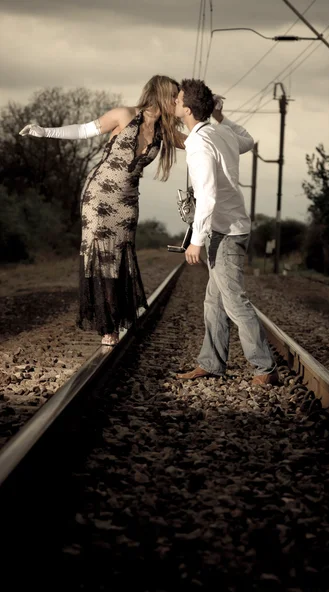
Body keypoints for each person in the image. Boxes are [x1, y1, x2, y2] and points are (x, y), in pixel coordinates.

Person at [19, 75, 185, 346]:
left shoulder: (165, 131)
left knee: (119, 256)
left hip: (128, 201)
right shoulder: (124, 114)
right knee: (100, 257)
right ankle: (108, 327)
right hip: (99, 195)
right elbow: (84, 130)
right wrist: (43, 131)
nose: (178, 102)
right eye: (175, 97)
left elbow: (201, 142)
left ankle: (115, 319)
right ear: (162, 95)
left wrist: (213, 115)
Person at [174, 78, 278, 386]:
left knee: (234, 301)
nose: (174, 104)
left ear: (188, 109)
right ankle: (212, 363)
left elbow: (207, 195)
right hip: (232, 228)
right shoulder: (220, 132)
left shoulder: (199, 142)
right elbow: (248, 140)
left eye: (178, 101)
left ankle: (265, 368)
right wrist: (220, 114)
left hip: (226, 233)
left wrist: (195, 240)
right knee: (214, 302)